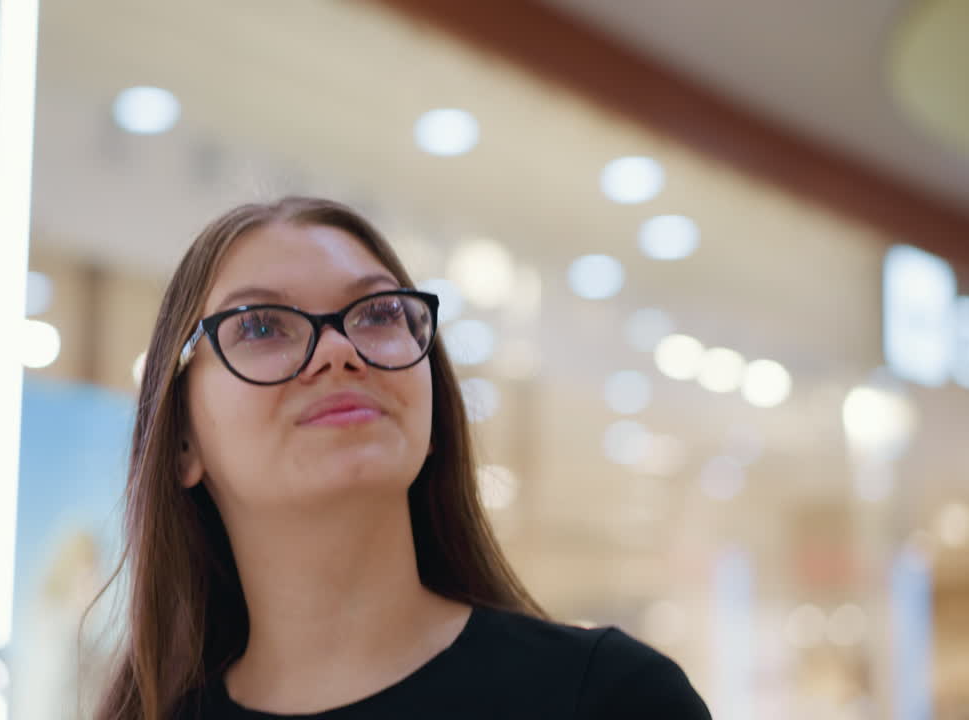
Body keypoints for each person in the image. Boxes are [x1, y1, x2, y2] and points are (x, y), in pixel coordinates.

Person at [91, 197, 710, 719]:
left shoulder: (612, 698)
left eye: (380, 313)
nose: (338, 350)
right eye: (261, 326)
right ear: (181, 443)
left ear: (432, 407)